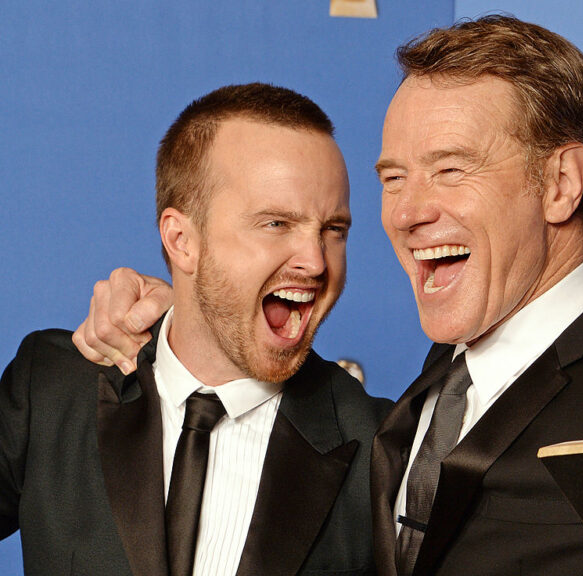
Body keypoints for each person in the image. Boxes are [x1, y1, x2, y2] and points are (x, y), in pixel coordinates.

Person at [72, 16, 583, 576]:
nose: (407, 211)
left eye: (450, 169)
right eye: (393, 178)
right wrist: (187, 315)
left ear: (559, 183)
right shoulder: (429, 390)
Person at [0, 83, 392, 576]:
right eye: (276, 224)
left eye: (333, 230)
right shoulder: (52, 388)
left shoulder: (383, 448)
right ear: (182, 240)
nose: (315, 261)